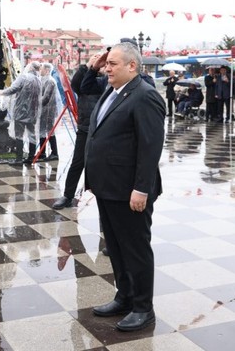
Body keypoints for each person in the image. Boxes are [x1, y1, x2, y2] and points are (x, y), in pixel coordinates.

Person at [85, 42, 165, 332]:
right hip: (108, 187)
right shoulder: (113, 90)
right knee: (116, 247)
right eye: (107, 64)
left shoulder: (145, 95)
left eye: (113, 64)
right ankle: (125, 297)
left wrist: (141, 189)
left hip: (130, 190)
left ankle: (143, 308)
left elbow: (150, 147)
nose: (107, 68)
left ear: (132, 66)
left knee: (135, 249)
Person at [52, 52, 105, 209]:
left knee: (105, 166)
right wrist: (88, 67)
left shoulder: (107, 81)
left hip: (103, 130)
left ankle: (106, 202)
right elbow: (75, 85)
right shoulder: (86, 81)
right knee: (77, 163)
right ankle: (68, 196)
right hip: (85, 127)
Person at [0, 61, 42, 165]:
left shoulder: (23, 77)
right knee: (32, 135)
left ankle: (19, 159)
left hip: (21, 112)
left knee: (19, 135)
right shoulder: (38, 80)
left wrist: (1, 92)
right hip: (32, 112)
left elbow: (13, 89)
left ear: (30, 68)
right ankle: (31, 158)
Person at [38, 62, 61, 161]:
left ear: (47, 70)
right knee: (42, 131)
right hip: (44, 110)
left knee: (50, 131)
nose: (40, 70)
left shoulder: (50, 81)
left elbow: (46, 97)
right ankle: (42, 152)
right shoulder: (44, 80)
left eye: (42, 69)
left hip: (49, 111)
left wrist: (36, 103)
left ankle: (54, 153)